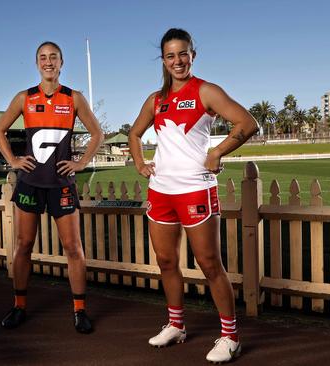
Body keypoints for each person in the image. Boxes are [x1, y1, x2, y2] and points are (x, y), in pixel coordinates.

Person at [128, 28, 258, 363]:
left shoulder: (206, 91)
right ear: (164, 60)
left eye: (183, 53)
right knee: (167, 261)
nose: (177, 61)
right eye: (170, 55)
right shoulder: (155, 100)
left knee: (209, 263)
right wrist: (141, 163)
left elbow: (247, 122)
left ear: (192, 55)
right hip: (161, 191)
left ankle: (230, 337)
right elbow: (135, 133)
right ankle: (176, 325)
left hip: (196, 189)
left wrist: (218, 152)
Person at [0, 41, 103, 334]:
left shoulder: (74, 98)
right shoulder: (24, 98)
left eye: (53, 57)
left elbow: (97, 133)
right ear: (37, 63)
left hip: (61, 184)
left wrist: (81, 163)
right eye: (43, 57)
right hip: (30, 182)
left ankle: (80, 310)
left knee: (73, 248)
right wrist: (14, 160)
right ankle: (19, 306)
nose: (48, 61)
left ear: (62, 62)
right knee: (24, 245)